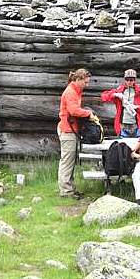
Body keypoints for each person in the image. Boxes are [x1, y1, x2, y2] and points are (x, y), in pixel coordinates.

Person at [57, 68, 93, 199]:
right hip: (68, 130)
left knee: (70, 161)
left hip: (71, 129)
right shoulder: (71, 92)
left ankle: (70, 188)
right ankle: (66, 191)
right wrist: (88, 113)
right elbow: (73, 110)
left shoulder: (76, 91)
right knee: (67, 161)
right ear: (78, 79)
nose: (87, 85)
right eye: (85, 82)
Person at [101, 69, 140, 138]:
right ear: (124, 80)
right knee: (123, 144)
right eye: (127, 80)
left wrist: (137, 107)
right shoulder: (119, 90)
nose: (129, 82)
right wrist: (115, 94)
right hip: (122, 125)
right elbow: (104, 96)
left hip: (136, 126)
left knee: (136, 144)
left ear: (134, 80)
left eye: (131, 80)